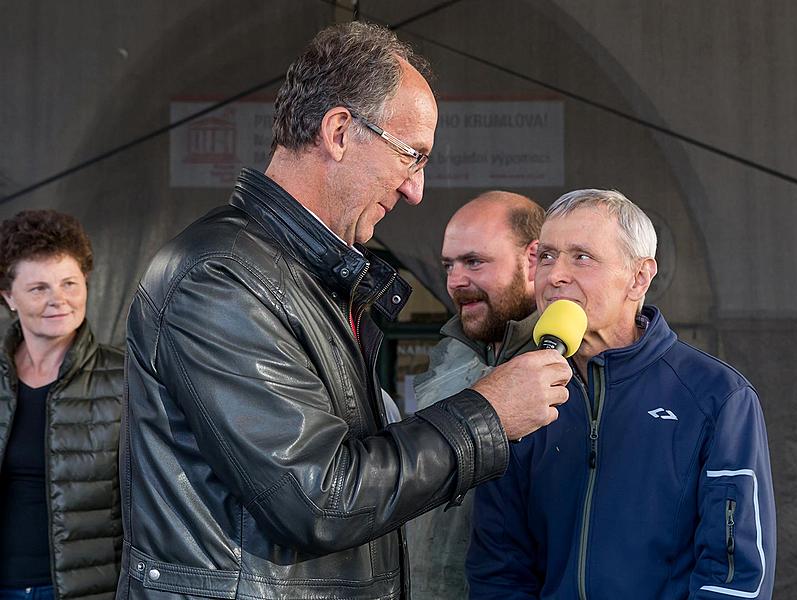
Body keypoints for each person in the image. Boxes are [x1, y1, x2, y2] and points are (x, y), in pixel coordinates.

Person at [116, 22, 570, 600]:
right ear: (338, 131)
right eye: (412, 156)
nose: (416, 191)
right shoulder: (221, 277)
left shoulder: (308, 275)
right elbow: (319, 498)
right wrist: (487, 412)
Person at [467, 189, 777, 599]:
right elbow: (498, 567)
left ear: (639, 277)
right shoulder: (519, 393)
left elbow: (735, 572)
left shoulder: (717, 396)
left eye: (581, 257)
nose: (555, 274)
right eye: (546, 256)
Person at [407, 191, 544, 599]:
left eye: (474, 262)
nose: (455, 282)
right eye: (449, 264)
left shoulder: (570, 365)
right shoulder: (450, 355)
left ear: (533, 258)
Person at [0, 210, 123, 600]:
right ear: (9, 298)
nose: (59, 300)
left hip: (84, 590)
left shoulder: (126, 377)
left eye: (69, 283)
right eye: (38, 288)